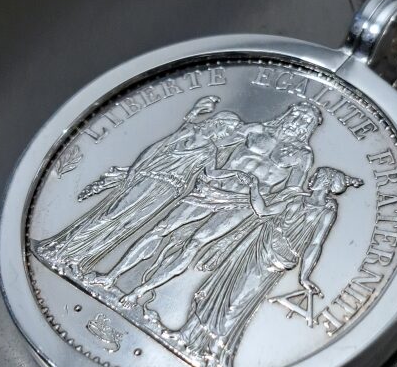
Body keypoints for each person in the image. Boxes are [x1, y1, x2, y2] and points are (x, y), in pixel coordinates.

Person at [93, 101, 324, 302]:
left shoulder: (302, 154)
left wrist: (268, 209)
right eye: (297, 114)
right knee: (161, 229)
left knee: (195, 243)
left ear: (310, 127)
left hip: (244, 203)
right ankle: (112, 276)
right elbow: (212, 141)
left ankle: (139, 291)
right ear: (288, 113)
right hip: (211, 188)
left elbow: (292, 191)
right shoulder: (257, 129)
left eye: (306, 120)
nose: (298, 121)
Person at [172, 167, 363, 367]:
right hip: (257, 246)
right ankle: (187, 335)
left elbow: (315, 243)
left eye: (317, 177)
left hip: (276, 260)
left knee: (238, 302)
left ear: (326, 183)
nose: (312, 178)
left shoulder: (327, 211)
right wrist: (254, 186)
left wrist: (304, 276)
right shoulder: (296, 198)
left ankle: (216, 352)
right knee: (221, 290)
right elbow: (263, 211)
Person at [32, 96, 243, 276]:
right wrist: (134, 171)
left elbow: (210, 174)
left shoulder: (212, 150)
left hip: (167, 192)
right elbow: (155, 149)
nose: (229, 134)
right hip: (150, 179)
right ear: (219, 123)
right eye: (229, 129)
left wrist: (236, 174)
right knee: (111, 216)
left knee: (126, 226)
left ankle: (78, 259)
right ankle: (61, 250)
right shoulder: (191, 131)